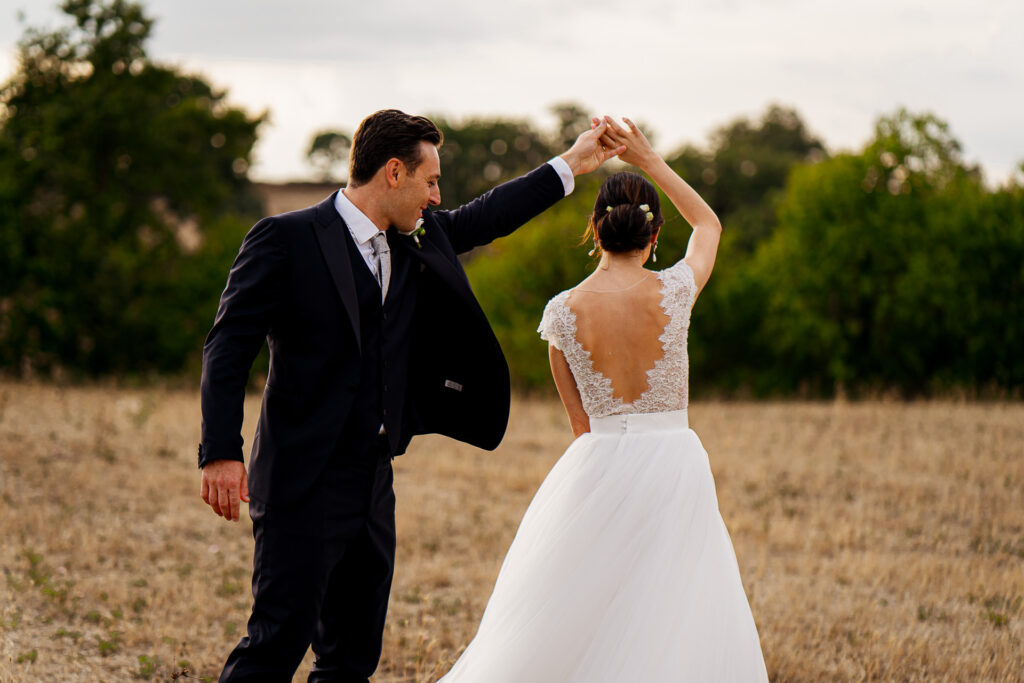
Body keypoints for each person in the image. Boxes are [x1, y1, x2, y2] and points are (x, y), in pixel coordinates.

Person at [197, 108, 623, 682]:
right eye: (430, 181)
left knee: (350, 661)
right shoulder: (287, 239)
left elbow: (491, 214)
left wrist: (574, 162)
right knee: (274, 647)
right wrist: (220, 450)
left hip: (373, 480)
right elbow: (227, 346)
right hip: (300, 479)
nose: (437, 195)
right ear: (393, 173)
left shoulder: (418, 237)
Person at [439, 117, 769, 681]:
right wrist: (647, 160)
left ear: (594, 229)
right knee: (673, 605)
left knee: (589, 607)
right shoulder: (675, 290)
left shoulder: (561, 313)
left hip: (598, 468)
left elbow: (581, 426)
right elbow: (709, 223)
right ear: (654, 235)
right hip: (674, 464)